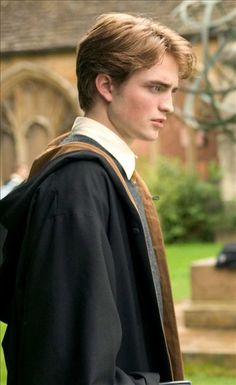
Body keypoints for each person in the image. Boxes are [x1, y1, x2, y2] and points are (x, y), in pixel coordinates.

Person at [0, 13, 195, 385]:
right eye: (155, 88)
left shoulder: (105, 174)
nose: (169, 105)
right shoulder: (78, 185)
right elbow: (70, 363)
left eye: (172, 91)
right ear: (106, 85)